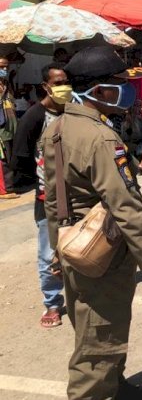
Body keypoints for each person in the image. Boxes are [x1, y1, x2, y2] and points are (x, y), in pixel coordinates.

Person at [42, 46, 142, 399]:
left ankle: (119, 387)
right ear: (98, 91)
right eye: (120, 83)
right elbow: (127, 207)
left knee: (100, 328)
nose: (128, 90)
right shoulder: (101, 138)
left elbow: (54, 201)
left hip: (74, 244)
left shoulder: (57, 128)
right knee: (97, 346)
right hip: (100, 251)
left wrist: (57, 250)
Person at [11, 63, 72, 327]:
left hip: (77, 194)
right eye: (58, 83)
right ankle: (52, 303)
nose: (63, 87)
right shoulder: (35, 116)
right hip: (47, 196)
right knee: (49, 252)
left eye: (65, 81)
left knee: (81, 246)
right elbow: (20, 157)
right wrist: (37, 182)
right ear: (46, 86)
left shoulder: (73, 112)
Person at [0, 62, 19, 200]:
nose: (4, 69)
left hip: (12, 127)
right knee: (4, 159)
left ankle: (11, 185)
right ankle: (6, 189)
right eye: (1, 67)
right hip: (2, 130)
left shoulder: (6, 84)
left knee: (12, 157)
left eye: (6, 66)